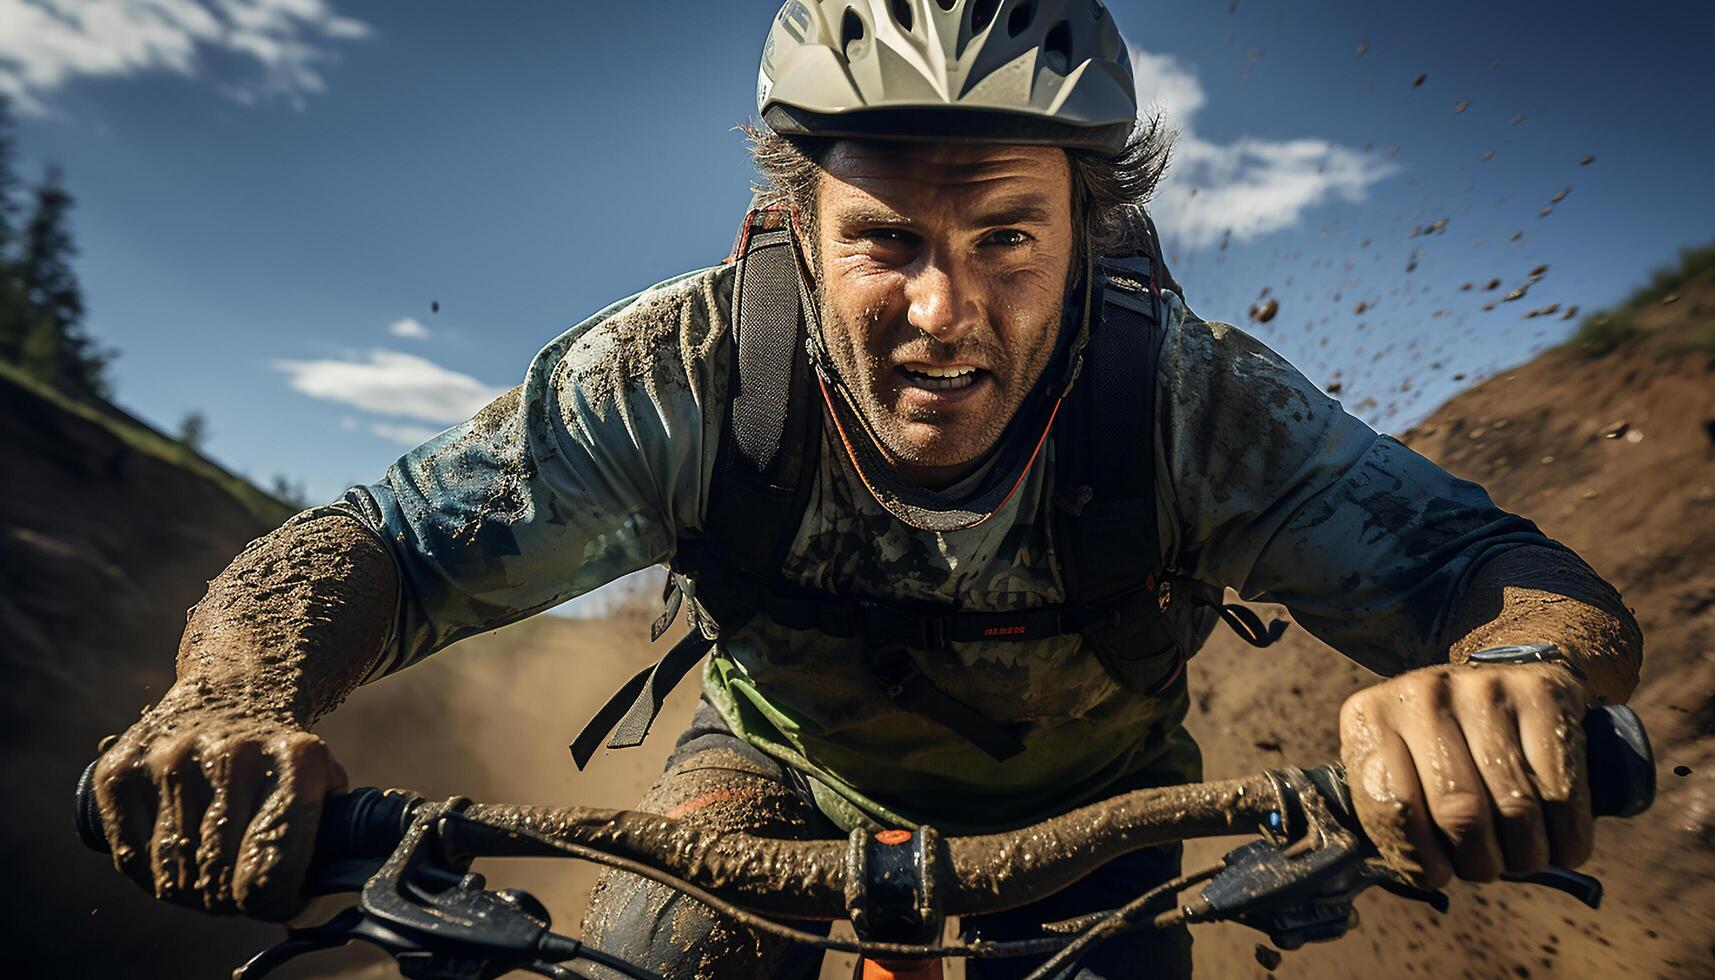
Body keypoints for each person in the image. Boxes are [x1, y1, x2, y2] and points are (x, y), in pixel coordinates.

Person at [89, 2, 1642, 977]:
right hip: (766, 785)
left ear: (1088, 234)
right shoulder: (685, 370)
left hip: (1105, 822)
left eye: (1005, 237)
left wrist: (1509, 679)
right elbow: (380, 545)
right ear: (797, 226)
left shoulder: (1192, 401)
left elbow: (1491, 571)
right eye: (884, 237)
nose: (940, 310)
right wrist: (227, 695)